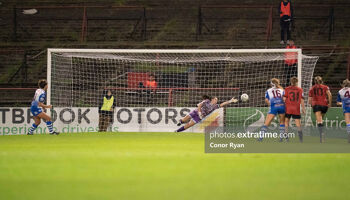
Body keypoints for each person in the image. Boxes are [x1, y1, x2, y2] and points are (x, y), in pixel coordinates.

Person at [308, 76, 332, 143]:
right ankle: (322, 132)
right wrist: (330, 103)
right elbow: (330, 95)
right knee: (321, 119)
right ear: (321, 81)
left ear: (314, 81)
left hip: (316, 105)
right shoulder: (325, 87)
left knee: (319, 121)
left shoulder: (312, 88)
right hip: (324, 105)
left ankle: (321, 135)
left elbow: (309, 100)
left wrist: (311, 104)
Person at [284, 77, 305, 142]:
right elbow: (302, 100)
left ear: (290, 82)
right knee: (298, 124)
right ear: (297, 82)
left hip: (288, 108)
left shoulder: (287, 89)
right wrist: (303, 109)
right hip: (296, 108)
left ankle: (286, 138)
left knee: (286, 122)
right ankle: (301, 139)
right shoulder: (300, 89)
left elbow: (284, 99)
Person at [336, 79, 350, 143]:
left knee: (348, 123)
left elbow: (338, 103)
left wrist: (343, 103)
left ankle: (349, 136)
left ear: (343, 84)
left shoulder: (340, 91)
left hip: (346, 108)